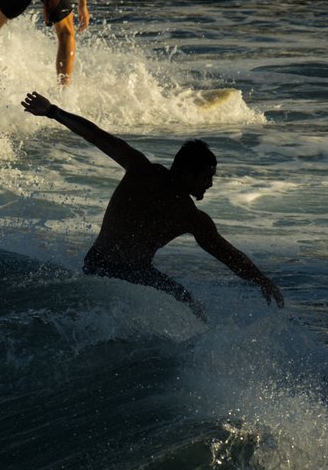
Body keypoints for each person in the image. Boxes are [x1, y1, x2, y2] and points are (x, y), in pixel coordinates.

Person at [21, 91, 284, 318]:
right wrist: (52, 111)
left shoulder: (189, 214)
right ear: (186, 173)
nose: (209, 185)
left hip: (117, 269)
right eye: (206, 178)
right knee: (186, 301)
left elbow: (226, 254)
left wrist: (260, 279)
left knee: (186, 300)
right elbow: (97, 136)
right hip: (108, 267)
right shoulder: (143, 172)